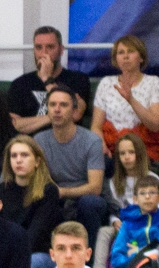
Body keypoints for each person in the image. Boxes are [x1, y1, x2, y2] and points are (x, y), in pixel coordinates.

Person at [33, 87, 110, 243]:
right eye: (52, 104)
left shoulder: (91, 141)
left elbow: (95, 188)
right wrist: (54, 192)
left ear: (74, 110)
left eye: (63, 105)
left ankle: (89, 261)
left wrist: (62, 191)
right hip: (54, 197)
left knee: (90, 203)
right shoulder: (39, 140)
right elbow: (38, 179)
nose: (57, 109)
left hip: (86, 198)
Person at [0, 135, 67, 268]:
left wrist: (15, 259)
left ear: (37, 161)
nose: (18, 160)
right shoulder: (1, 190)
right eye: (14, 156)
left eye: (24, 155)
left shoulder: (48, 191)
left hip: (39, 253)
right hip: (8, 253)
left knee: (30, 264)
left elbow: (35, 234)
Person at [90, 35, 159, 162]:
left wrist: (131, 100)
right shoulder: (106, 83)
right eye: (121, 52)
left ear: (141, 57)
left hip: (142, 149)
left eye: (130, 51)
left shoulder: (153, 82)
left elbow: (156, 125)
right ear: (116, 59)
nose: (125, 56)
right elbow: (96, 126)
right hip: (111, 149)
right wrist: (101, 146)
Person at [8, 25, 92, 135]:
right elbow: (15, 125)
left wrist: (47, 79)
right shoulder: (19, 84)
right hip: (30, 146)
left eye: (50, 47)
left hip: (66, 143)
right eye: (39, 47)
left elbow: (76, 114)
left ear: (61, 50)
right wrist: (54, 117)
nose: (44, 53)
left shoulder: (78, 79)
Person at [105, 131, 151, 207]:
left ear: (140, 153)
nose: (126, 157)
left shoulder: (152, 178)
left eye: (131, 152)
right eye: (122, 153)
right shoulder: (113, 181)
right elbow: (114, 210)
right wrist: (114, 219)